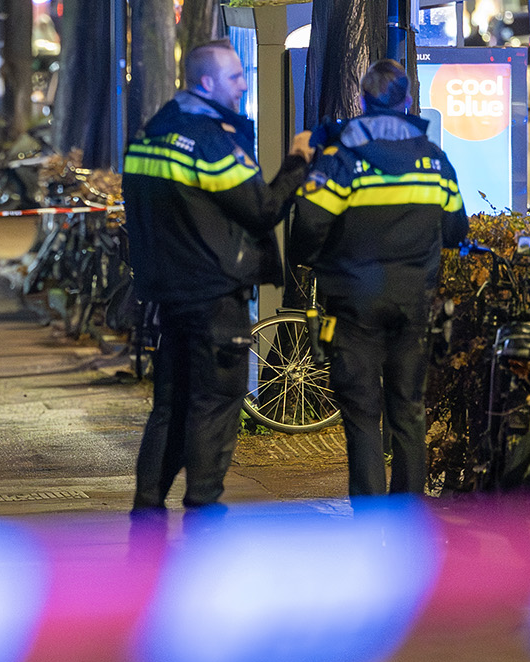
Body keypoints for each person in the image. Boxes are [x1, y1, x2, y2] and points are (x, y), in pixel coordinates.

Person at [124, 41, 312, 513]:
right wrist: (297, 162)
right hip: (215, 295)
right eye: (235, 77)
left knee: (171, 406)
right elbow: (262, 208)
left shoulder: (154, 131)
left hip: (172, 296)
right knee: (216, 402)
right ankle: (204, 509)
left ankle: (147, 509)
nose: (243, 85)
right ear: (207, 82)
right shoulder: (209, 142)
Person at [291, 59, 468, 497]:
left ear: (363, 100)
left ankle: (370, 515)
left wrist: (314, 261)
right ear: (407, 101)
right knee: (408, 411)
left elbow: (308, 224)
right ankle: (407, 511)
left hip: (353, 305)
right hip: (413, 304)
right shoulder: (435, 161)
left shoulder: (343, 159)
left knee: (362, 413)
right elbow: (456, 231)